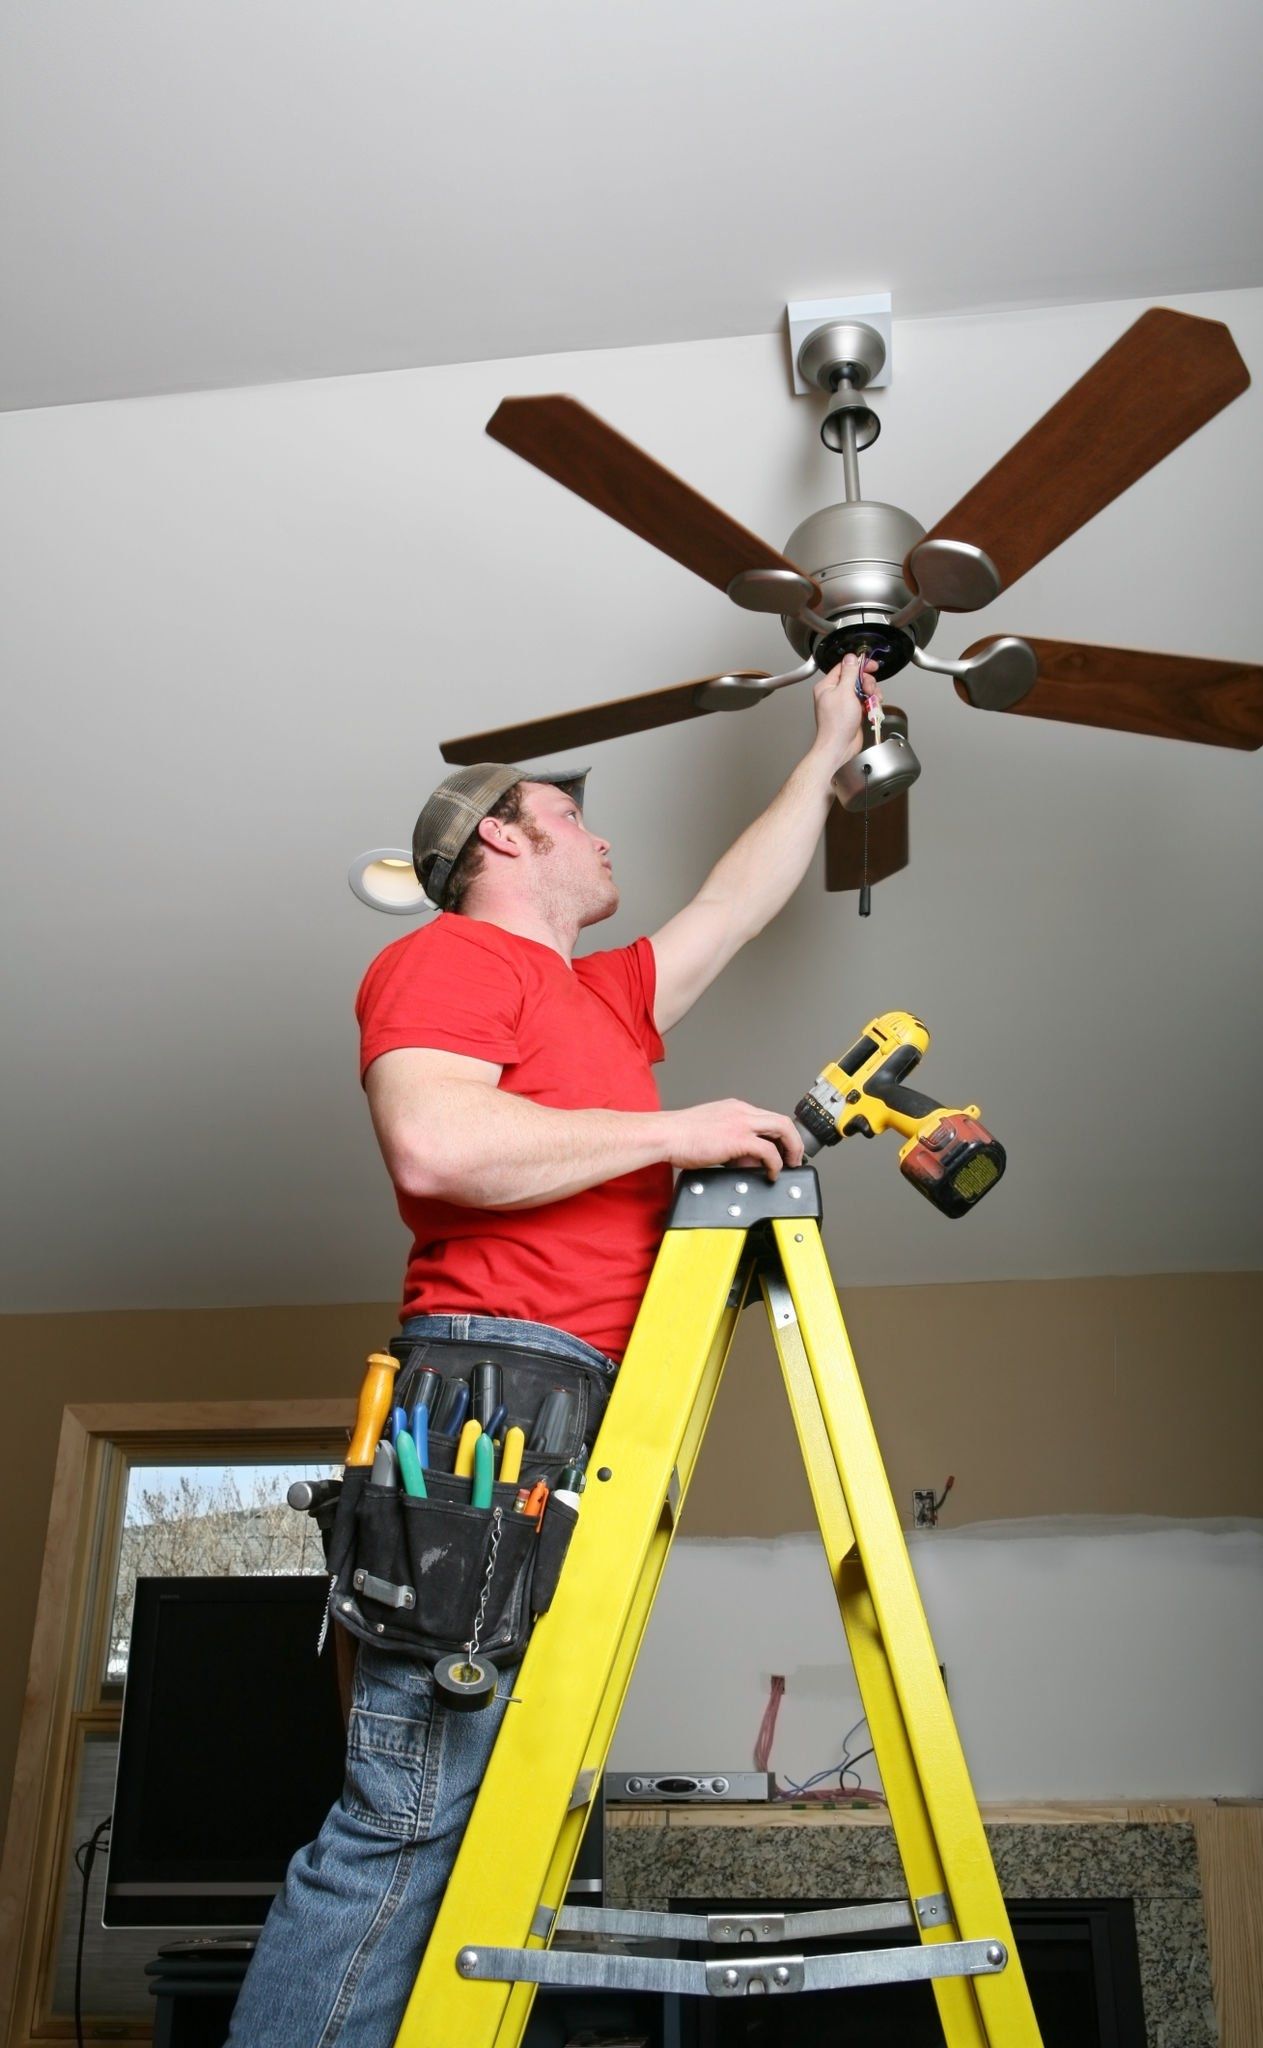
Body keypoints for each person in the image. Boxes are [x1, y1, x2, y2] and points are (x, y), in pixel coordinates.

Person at [227, 653, 880, 2047]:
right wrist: (675, 1130)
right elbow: (439, 1145)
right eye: (568, 812)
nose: (596, 830)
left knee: (492, 1823)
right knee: (408, 1817)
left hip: (577, 1402)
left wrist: (825, 747)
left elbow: (734, 902)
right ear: (503, 836)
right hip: (490, 1381)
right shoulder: (444, 957)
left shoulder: (600, 1002)